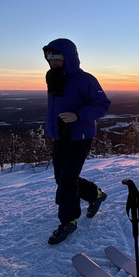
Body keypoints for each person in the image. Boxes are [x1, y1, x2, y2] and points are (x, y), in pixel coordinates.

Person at [43, 38, 111, 245]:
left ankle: (69, 220)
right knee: (61, 177)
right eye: (49, 57)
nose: (52, 60)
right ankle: (95, 195)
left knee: (66, 180)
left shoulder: (85, 79)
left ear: (69, 57)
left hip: (80, 137)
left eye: (57, 56)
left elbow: (103, 104)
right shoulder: (54, 77)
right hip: (61, 136)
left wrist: (78, 115)